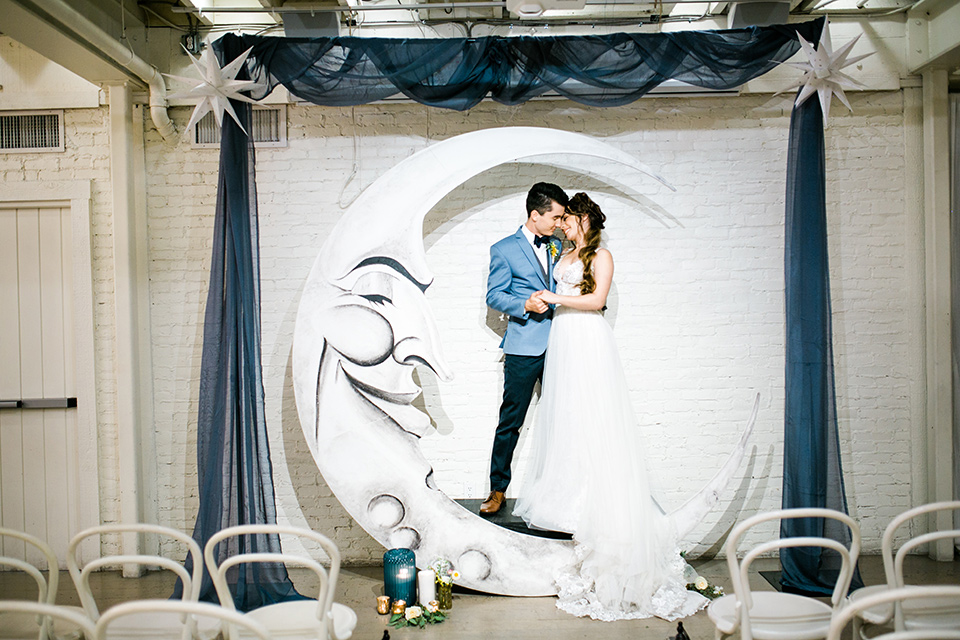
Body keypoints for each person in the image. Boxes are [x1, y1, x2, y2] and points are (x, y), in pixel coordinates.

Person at [513, 192, 708, 622]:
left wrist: (555, 297)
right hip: (563, 338)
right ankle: (568, 496)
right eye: (560, 219)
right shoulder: (563, 254)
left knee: (594, 415)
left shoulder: (602, 256)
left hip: (587, 336)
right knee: (567, 417)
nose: (563, 224)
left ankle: (600, 504)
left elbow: (596, 300)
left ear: (585, 220)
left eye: (569, 219)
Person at [481, 182, 569, 516]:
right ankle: (497, 489)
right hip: (524, 345)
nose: (560, 224)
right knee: (510, 420)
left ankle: (565, 490)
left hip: (563, 342)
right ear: (535, 214)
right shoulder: (503, 249)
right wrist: (525, 304)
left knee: (566, 417)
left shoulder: (558, 245)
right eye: (556, 217)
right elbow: (494, 295)